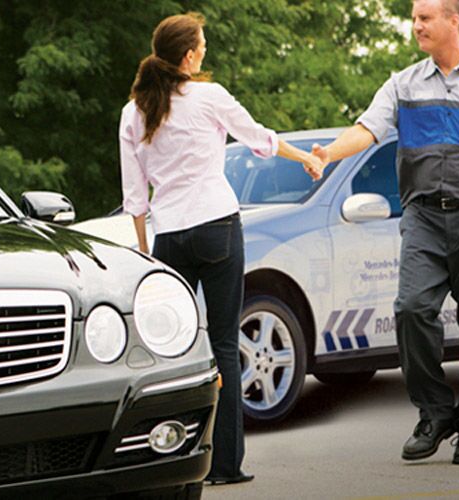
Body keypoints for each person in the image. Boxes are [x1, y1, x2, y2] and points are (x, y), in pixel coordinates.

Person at [311, 0, 459, 464]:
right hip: (422, 216)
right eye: (414, 18)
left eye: (424, 18)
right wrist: (328, 155)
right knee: (411, 309)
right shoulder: (403, 84)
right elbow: (367, 129)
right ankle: (436, 412)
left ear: (452, 21)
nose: (415, 25)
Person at [119, 12, 323, 484]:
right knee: (225, 344)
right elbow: (260, 139)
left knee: (167, 350)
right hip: (217, 228)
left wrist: (150, 257)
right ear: (188, 56)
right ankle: (226, 466)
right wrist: (306, 159)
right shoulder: (208, 97)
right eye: (203, 46)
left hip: (169, 238)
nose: (205, 51)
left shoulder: (134, 111)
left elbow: (135, 196)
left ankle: (164, 456)